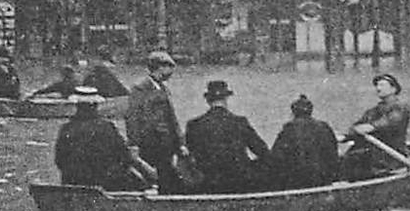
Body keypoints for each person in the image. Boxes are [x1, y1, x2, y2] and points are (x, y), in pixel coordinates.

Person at [184, 80, 273, 193]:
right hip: (238, 182)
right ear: (226, 99)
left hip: (207, 183)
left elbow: (188, 155)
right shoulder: (240, 122)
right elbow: (263, 152)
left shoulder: (193, 125)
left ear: (208, 100)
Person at [54, 87, 151, 191]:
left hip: (73, 182)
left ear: (77, 106)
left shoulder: (66, 129)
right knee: (142, 183)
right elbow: (125, 157)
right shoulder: (107, 127)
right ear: (96, 106)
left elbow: (59, 160)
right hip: (106, 183)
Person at [125, 50, 186, 193]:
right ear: (160, 68)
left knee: (167, 178)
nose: (171, 71)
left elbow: (172, 118)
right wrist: (134, 142)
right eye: (169, 67)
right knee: (152, 178)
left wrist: (180, 142)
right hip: (150, 143)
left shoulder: (163, 88)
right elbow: (133, 117)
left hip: (166, 143)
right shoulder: (140, 88)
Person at [339, 73, 410, 181]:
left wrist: (371, 127)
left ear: (393, 89)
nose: (378, 88)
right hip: (373, 152)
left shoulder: (400, 107)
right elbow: (357, 126)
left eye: (382, 85)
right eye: (377, 85)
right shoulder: (372, 111)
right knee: (347, 159)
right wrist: (346, 136)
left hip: (391, 154)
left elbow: (389, 123)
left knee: (357, 160)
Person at [270, 95, 340, 189]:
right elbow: (333, 153)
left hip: (298, 180)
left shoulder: (289, 129)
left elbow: (276, 156)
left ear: (294, 112)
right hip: (323, 177)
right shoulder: (324, 126)